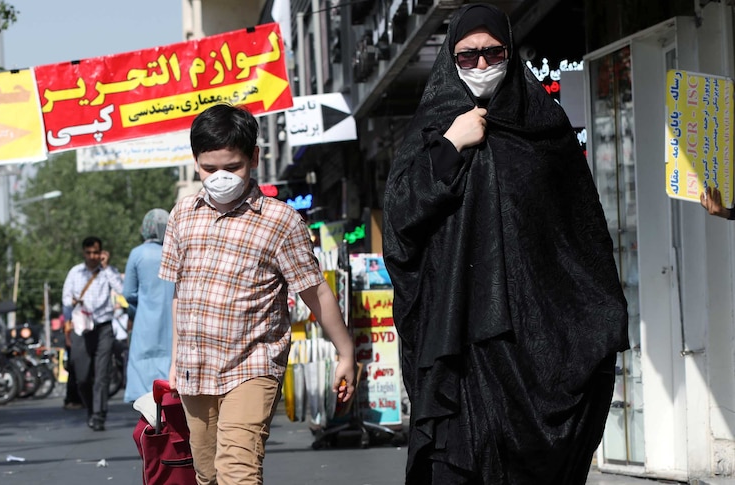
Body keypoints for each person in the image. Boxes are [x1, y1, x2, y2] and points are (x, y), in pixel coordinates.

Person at [382, 4, 629, 484]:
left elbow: (582, 233)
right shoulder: (432, 128)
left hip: (535, 343)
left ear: (510, 53)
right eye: (467, 55)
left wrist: (598, 317)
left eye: (492, 52)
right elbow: (401, 220)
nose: (480, 65)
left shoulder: (546, 128)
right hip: (459, 339)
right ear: (449, 58)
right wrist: (451, 147)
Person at [158, 104, 357, 485]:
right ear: (196, 162)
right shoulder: (182, 214)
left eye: (231, 167)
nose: (219, 177)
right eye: (208, 168)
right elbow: (179, 294)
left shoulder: (281, 221)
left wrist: (345, 352)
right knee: (207, 474)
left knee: (238, 473)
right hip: (194, 370)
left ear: (254, 158)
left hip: (252, 367)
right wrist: (174, 360)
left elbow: (315, 291)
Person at [62, 238, 122, 431]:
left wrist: (106, 268)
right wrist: (72, 304)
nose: (92, 256)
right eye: (89, 253)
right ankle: (90, 409)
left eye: (96, 253)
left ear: (101, 253)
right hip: (81, 328)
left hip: (103, 327)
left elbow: (122, 290)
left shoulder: (107, 272)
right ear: (84, 253)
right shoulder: (75, 272)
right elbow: (65, 298)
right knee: (82, 376)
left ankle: (99, 415)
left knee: (102, 374)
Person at [122, 208, 175, 403]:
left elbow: (128, 292)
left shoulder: (137, 254)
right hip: (174, 322)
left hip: (145, 323)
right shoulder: (175, 252)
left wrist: (137, 308)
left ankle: (152, 424)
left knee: (144, 381)